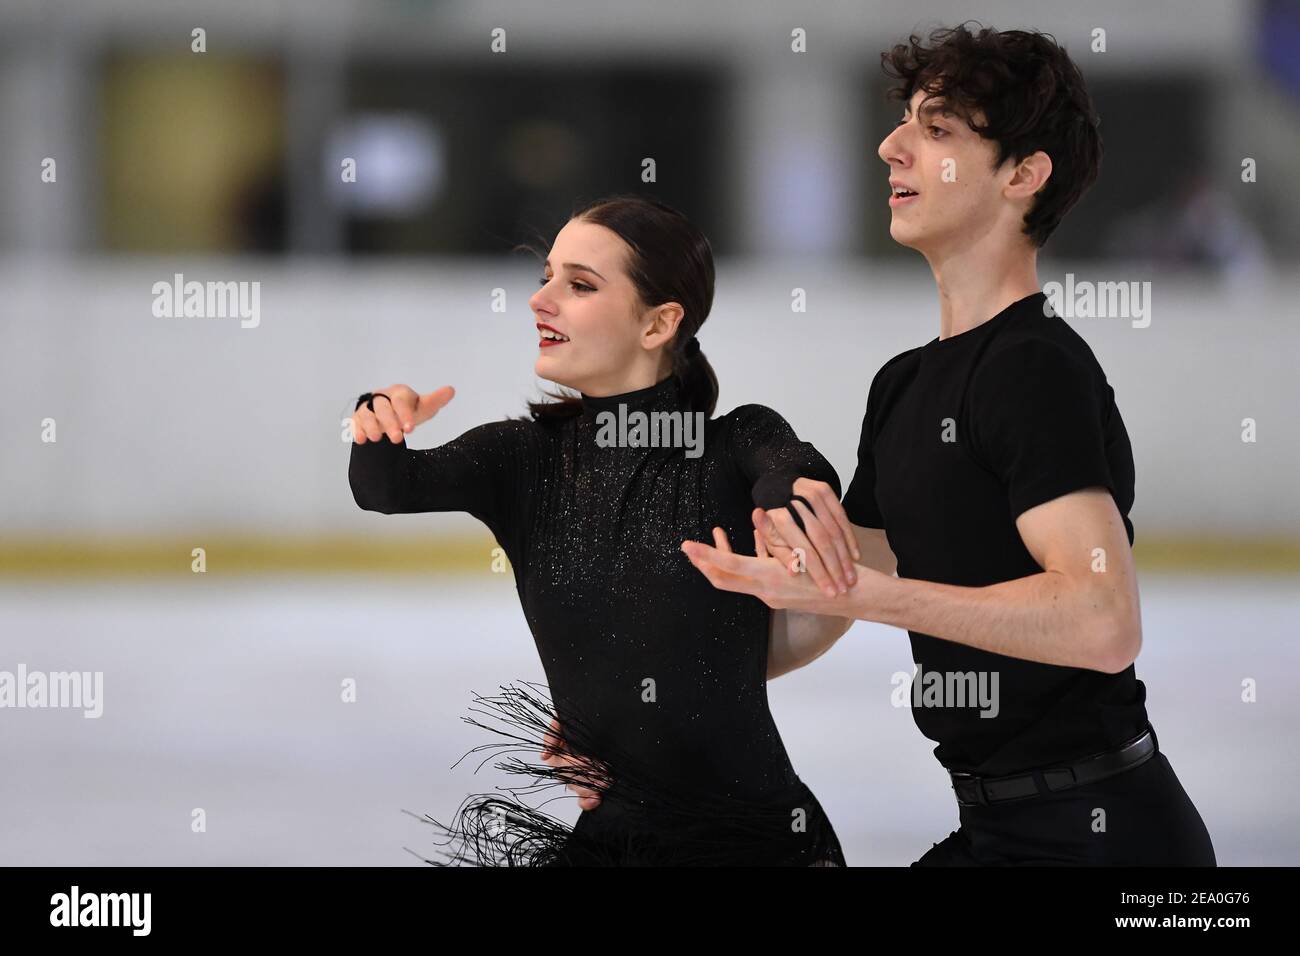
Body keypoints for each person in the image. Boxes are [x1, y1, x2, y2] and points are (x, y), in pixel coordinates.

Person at [679, 24, 1216, 866]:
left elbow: (1101, 620)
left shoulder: (1035, 368)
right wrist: (655, 703)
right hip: (996, 830)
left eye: (938, 131)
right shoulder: (904, 384)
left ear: (1022, 175)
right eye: (905, 125)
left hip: (1102, 837)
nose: (891, 147)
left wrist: (866, 595)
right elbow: (824, 598)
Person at [348, 195, 858, 866]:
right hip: (615, 842)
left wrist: (788, 512)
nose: (541, 300)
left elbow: (800, 476)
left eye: (579, 284)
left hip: (757, 843)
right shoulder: (523, 460)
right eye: (545, 278)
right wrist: (378, 415)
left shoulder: (735, 442)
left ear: (658, 323)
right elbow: (385, 488)